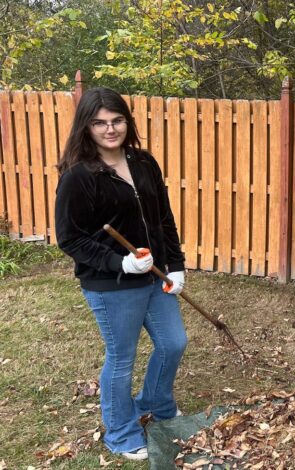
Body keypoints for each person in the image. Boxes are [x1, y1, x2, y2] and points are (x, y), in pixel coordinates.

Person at [54, 87, 187, 460]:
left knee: (173, 342)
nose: (109, 129)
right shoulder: (79, 177)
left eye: (116, 120)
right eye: (99, 123)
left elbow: (163, 218)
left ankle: (156, 405)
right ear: (87, 127)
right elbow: (70, 239)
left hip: (154, 275)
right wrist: (120, 262)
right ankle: (120, 431)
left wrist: (175, 265)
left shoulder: (144, 162)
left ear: (127, 121)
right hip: (110, 284)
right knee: (122, 355)